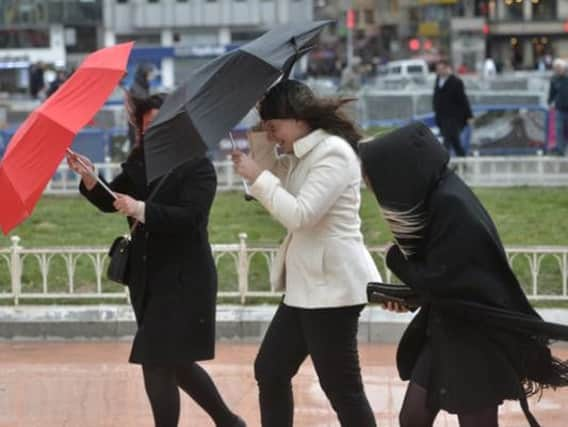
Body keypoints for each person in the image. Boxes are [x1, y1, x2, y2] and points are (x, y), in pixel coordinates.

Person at [359, 122, 568, 427]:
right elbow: (452, 276)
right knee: (413, 418)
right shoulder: (440, 196)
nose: (375, 190)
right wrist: (410, 298)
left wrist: (395, 259)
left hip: (476, 337)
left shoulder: (451, 205)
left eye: (376, 181)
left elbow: (444, 279)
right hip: (447, 327)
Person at [66, 94, 245, 427]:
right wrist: (90, 177)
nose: (155, 130)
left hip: (184, 278)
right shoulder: (140, 162)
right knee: (175, 362)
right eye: (148, 125)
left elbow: (190, 218)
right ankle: (230, 422)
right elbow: (111, 199)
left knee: (155, 358)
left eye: (161, 123)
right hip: (147, 277)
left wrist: (140, 209)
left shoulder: (197, 165)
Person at [231, 80, 381, 427]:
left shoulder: (333, 153)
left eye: (274, 126)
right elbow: (270, 177)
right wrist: (260, 133)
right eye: (267, 127)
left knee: (342, 389)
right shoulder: (302, 153)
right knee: (270, 370)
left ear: (298, 118)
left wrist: (259, 178)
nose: (273, 134)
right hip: (305, 287)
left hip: (333, 288)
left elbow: (299, 214)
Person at [433, 60, 473, 157]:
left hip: (453, 117)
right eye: (438, 69)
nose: (439, 71)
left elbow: (463, 99)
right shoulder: (438, 80)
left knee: (447, 140)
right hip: (442, 116)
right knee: (454, 142)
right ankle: (462, 160)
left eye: (441, 69)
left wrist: (469, 115)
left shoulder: (456, 82)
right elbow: (436, 98)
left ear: (447, 68)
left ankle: (443, 162)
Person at [547, 58, 568, 156]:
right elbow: (552, 93)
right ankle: (560, 150)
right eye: (556, 68)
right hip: (559, 109)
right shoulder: (554, 79)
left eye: (559, 68)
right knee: (559, 130)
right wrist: (549, 102)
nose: (557, 70)